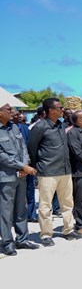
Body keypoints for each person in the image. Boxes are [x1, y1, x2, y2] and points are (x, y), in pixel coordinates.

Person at [27, 98, 82, 246]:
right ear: (51, 110)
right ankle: (46, 234)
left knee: (67, 203)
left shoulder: (62, 125)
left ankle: (68, 230)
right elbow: (32, 148)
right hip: (47, 171)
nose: (62, 110)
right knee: (45, 205)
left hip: (65, 170)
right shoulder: (40, 127)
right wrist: (37, 166)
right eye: (60, 108)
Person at [0, 102, 39, 255]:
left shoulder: (14, 127)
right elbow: (2, 156)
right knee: (6, 212)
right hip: (6, 177)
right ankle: (7, 242)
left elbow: (23, 147)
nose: (12, 111)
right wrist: (21, 166)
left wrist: (24, 165)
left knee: (21, 209)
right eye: (8, 109)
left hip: (21, 175)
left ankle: (22, 239)